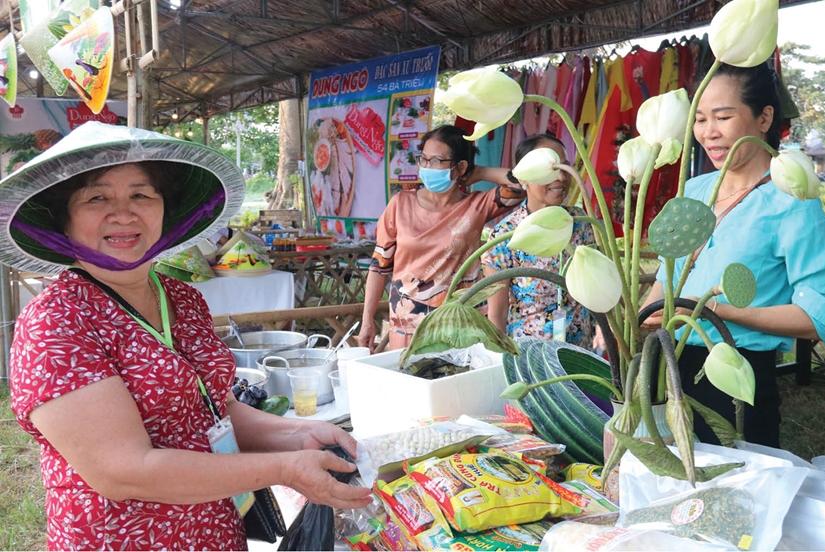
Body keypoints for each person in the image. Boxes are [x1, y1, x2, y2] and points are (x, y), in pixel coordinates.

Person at [5, 122, 372, 551]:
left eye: (141, 194)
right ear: (62, 220)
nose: (124, 213)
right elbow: (124, 471)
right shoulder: (56, 321)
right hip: (122, 540)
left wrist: (299, 436)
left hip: (216, 529)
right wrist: (287, 469)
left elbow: (213, 412)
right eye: (96, 197)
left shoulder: (181, 298)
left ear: (165, 210)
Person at [642, 62, 825, 448]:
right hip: (663, 369)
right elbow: (666, 278)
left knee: (732, 498)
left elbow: (816, 317)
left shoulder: (793, 201)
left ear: (765, 117)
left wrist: (719, 311)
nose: (709, 132)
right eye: (701, 119)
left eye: (723, 116)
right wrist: (638, 322)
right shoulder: (694, 189)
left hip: (734, 378)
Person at [358, 125, 523, 351]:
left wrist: (478, 172)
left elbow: (522, 185)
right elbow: (379, 267)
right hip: (409, 325)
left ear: (459, 166)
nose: (427, 167)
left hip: (461, 327)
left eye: (436, 161)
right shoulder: (400, 204)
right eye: (423, 159)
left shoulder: (476, 206)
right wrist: (367, 320)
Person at [482, 134, 596, 348]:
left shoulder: (580, 222)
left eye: (564, 167)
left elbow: (597, 284)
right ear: (524, 177)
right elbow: (496, 316)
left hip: (581, 358)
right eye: (550, 170)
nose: (561, 178)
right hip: (531, 361)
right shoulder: (506, 235)